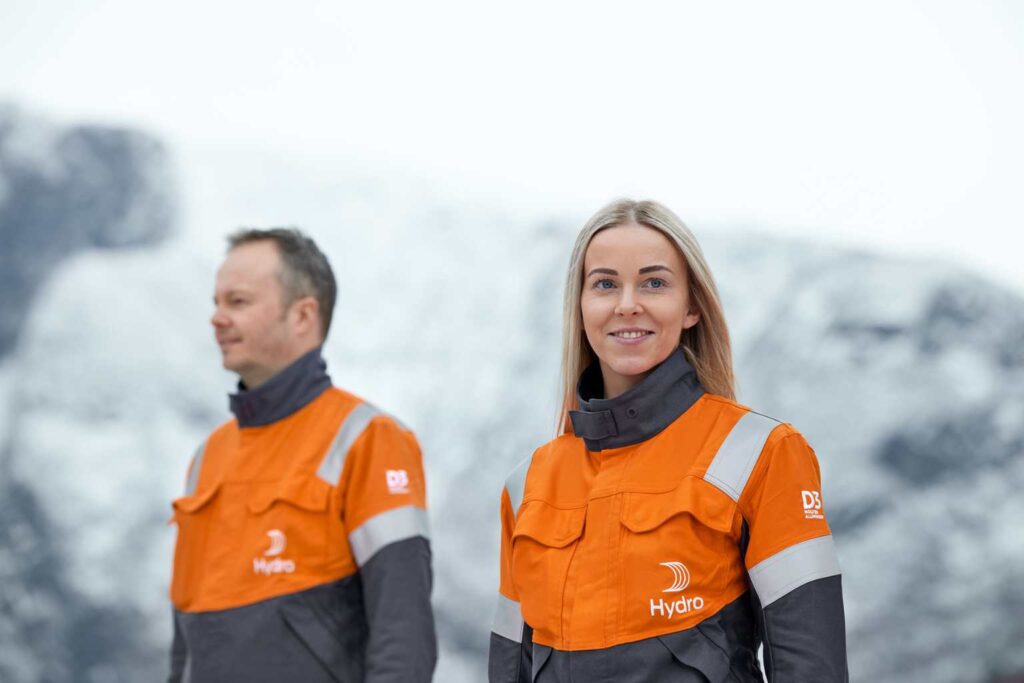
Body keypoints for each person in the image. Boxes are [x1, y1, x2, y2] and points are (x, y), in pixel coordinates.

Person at [488, 200, 848, 682]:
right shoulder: (527, 485)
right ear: (580, 307)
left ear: (692, 307)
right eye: (605, 284)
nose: (627, 303)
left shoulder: (763, 453)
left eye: (654, 282)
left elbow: (813, 667)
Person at [169, 228, 436, 682]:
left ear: (302, 316)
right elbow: (185, 644)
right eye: (216, 302)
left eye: (237, 302)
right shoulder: (206, 457)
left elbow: (403, 635)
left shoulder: (369, 440)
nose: (216, 317)